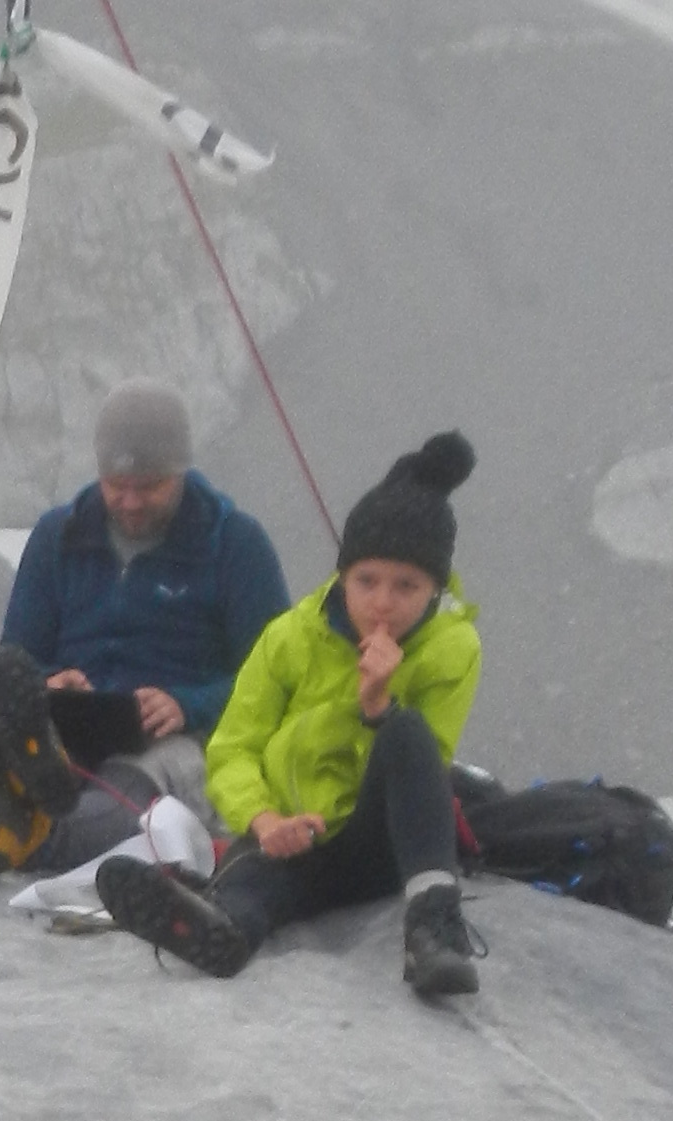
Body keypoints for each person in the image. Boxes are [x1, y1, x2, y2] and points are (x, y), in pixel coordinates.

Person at [97, 428, 483, 1000]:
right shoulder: (290, 637)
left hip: (381, 844)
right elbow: (234, 746)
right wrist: (263, 820)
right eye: (366, 581)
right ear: (343, 576)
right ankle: (221, 930)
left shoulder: (451, 649)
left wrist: (378, 707)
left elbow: (426, 765)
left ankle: (433, 927)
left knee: (406, 731)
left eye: (406, 586)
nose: (382, 602)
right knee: (256, 884)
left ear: (434, 589)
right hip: (293, 840)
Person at [0, 378, 291, 882]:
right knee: (22, 721)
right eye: (115, 484)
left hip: (184, 740)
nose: (129, 501)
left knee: (122, 795)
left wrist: (187, 703)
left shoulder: (236, 544)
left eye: (149, 486)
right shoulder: (56, 537)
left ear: (181, 470)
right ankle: (18, 797)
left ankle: (20, 829)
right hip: (76, 730)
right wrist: (50, 685)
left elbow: (276, 677)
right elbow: (17, 658)